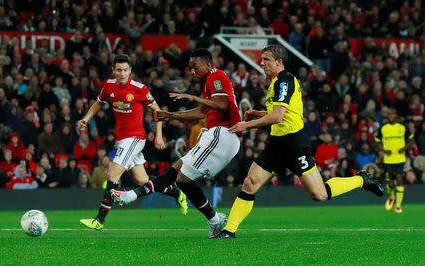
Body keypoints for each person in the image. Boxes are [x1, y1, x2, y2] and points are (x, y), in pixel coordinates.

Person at [214, 45, 384, 239]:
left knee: (319, 194)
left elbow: (278, 117)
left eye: (266, 59)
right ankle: (229, 231)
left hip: (294, 144)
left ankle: (361, 179)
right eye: (262, 59)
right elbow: (281, 114)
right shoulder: (275, 82)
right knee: (250, 183)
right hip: (277, 144)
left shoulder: (284, 81)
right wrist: (258, 113)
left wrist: (247, 124)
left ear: (279, 61)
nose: (261, 63)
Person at [111, 48, 242, 238]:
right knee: (180, 178)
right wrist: (170, 116)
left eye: (195, 68)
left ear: (208, 65)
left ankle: (132, 195)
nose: (192, 72)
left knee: (180, 177)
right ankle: (214, 220)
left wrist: (193, 98)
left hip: (222, 134)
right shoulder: (209, 83)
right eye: (191, 68)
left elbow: (222, 105)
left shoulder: (216, 76)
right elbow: (201, 113)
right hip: (218, 135)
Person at [78, 54, 187, 231]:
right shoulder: (109, 86)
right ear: (113, 70)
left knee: (112, 175)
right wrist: (86, 118)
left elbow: (158, 111)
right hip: (123, 140)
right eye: (119, 70)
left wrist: (158, 135)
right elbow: (98, 103)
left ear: (130, 71)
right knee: (142, 180)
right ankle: (176, 193)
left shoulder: (140, 89)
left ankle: (99, 219)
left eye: (125, 70)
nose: (122, 73)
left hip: (135, 138)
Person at [375, 108, 414, 213]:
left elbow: (411, 140)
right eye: (389, 114)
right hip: (388, 160)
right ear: (387, 116)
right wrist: (383, 150)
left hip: (400, 159)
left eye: (393, 114)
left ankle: (398, 206)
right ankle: (391, 197)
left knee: (400, 179)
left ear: (396, 115)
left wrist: (405, 148)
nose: (391, 116)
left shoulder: (402, 127)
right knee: (391, 184)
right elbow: (377, 141)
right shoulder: (383, 128)